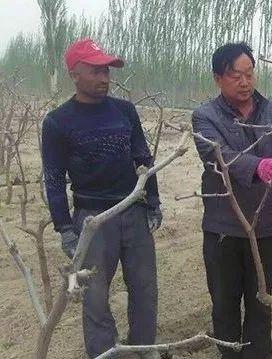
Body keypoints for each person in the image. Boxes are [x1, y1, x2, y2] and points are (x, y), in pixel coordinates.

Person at [191, 42, 272, 358]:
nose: (245, 82)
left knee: (261, 303)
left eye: (249, 74)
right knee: (224, 304)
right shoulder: (205, 117)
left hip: (266, 230)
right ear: (217, 78)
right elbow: (217, 155)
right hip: (225, 230)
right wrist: (256, 166)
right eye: (235, 75)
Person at [41, 38, 162, 358]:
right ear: (74, 73)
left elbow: (143, 157)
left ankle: (144, 349)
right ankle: (104, 353)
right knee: (94, 297)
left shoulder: (125, 111)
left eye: (106, 70)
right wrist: (64, 227)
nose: (104, 77)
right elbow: (53, 179)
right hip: (92, 220)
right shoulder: (57, 122)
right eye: (95, 70)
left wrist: (153, 200)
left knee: (145, 290)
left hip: (133, 211)